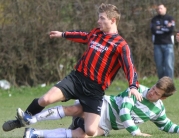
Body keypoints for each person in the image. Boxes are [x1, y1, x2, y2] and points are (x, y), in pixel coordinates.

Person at [2, 3, 142, 137]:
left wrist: (133, 86)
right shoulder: (96, 33)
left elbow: (129, 66)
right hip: (76, 79)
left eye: (102, 18)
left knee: (91, 130)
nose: (98, 21)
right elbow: (83, 36)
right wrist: (63, 34)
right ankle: (20, 120)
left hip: (94, 90)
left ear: (112, 20)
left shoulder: (121, 45)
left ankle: (75, 121)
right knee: (46, 99)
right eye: (99, 17)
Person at [14, 76, 177, 138]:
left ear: (163, 97)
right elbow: (124, 111)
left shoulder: (158, 110)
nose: (151, 92)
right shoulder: (137, 89)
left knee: (82, 135)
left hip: (107, 125)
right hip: (104, 106)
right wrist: (136, 132)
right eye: (154, 88)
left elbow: (167, 125)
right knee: (74, 110)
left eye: (157, 93)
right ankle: (31, 119)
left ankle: (35, 133)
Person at [150, 4, 175, 79]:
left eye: (161, 8)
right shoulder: (154, 19)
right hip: (157, 45)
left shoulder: (170, 18)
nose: (159, 10)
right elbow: (153, 30)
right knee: (159, 66)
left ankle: (169, 84)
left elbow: (171, 30)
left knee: (168, 65)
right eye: (158, 9)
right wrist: (165, 28)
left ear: (165, 9)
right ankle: (161, 85)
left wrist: (160, 28)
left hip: (168, 45)